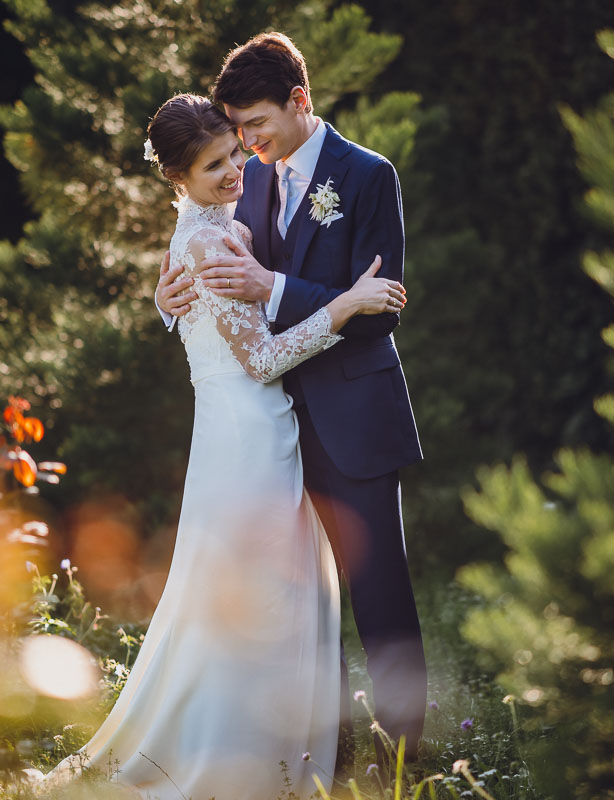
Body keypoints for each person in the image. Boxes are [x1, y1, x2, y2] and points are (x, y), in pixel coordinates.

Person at [37, 94, 406, 798]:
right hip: (245, 440)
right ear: (177, 177)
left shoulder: (217, 225)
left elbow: (222, 309)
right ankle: (238, 759)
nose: (237, 170)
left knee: (265, 593)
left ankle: (276, 750)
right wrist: (345, 303)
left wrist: (167, 301)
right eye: (215, 165)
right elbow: (260, 360)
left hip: (258, 429)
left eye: (236, 153)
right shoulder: (205, 241)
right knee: (253, 595)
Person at [156, 33, 427, 765]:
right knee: (304, 606)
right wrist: (166, 300)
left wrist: (274, 288)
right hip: (272, 428)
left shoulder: (367, 175)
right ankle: (325, 755)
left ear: (298, 100)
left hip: (353, 419)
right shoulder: (248, 178)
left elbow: (380, 308)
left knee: (380, 597)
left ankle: (407, 760)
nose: (246, 145)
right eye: (236, 131)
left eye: (256, 125)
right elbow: (212, 270)